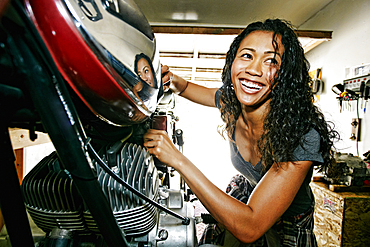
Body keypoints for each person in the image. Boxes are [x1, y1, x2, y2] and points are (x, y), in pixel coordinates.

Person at [143, 19, 338, 246]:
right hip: (247, 196)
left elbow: (251, 226)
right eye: (247, 55)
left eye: (271, 61)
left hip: (288, 225)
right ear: (232, 61)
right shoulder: (230, 102)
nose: (253, 70)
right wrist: (168, 80)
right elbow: (184, 87)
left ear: (285, 74)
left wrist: (177, 159)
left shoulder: (303, 136)